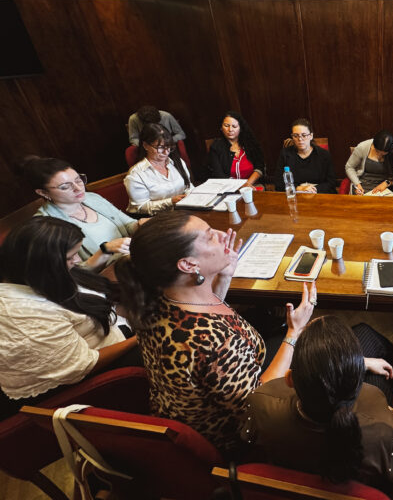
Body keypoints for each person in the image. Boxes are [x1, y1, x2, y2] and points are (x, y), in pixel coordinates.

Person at [115, 211, 315, 455]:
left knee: (310, 345)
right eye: (210, 237)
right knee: (318, 353)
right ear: (188, 264)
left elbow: (207, 313)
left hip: (190, 412)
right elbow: (257, 400)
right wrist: (294, 331)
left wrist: (225, 275)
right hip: (237, 435)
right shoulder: (213, 342)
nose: (223, 235)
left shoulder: (159, 298)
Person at [243, 316, 393, 492]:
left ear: (289, 379)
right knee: (369, 344)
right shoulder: (381, 422)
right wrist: (361, 363)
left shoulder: (260, 402)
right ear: (359, 383)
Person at [0, 217, 139, 418]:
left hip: (111, 331)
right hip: (79, 382)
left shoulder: (35, 276)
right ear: (45, 262)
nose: (76, 261)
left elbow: (85, 283)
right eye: (70, 257)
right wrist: (139, 339)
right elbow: (82, 366)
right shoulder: (23, 314)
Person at [19, 156, 138, 270]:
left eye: (78, 180)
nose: (78, 188)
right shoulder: (45, 225)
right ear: (43, 193)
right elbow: (75, 273)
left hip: (131, 260)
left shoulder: (91, 198)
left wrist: (140, 224)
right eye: (65, 187)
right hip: (107, 275)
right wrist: (106, 250)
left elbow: (128, 224)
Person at [124, 123, 193, 216]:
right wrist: (170, 201)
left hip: (183, 212)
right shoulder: (136, 174)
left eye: (169, 147)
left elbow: (188, 186)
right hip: (157, 218)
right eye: (160, 147)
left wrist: (192, 195)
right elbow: (140, 207)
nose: (166, 152)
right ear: (146, 146)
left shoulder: (177, 162)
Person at [274, 119, 336, 194]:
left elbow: (331, 182)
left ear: (311, 136)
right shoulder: (285, 154)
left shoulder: (323, 155)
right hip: (295, 194)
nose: (300, 139)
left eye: (304, 135)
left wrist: (313, 189)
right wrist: (299, 188)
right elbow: (278, 183)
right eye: (296, 136)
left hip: (319, 194)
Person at [207, 111, 265, 187]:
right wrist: (238, 186)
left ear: (240, 128)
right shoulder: (216, 147)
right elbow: (219, 175)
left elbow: (260, 166)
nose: (230, 129)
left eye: (234, 126)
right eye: (226, 125)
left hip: (253, 185)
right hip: (227, 188)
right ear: (221, 127)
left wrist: (248, 184)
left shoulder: (251, 144)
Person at [344, 130, 393, 195]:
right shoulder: (362, 147)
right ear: (373, 144)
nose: (379, 155)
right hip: (363, 185)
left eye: (383, 154)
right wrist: (357, 184)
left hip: (385, 187)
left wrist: (387, 183)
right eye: (377, 151)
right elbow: (349, 167)